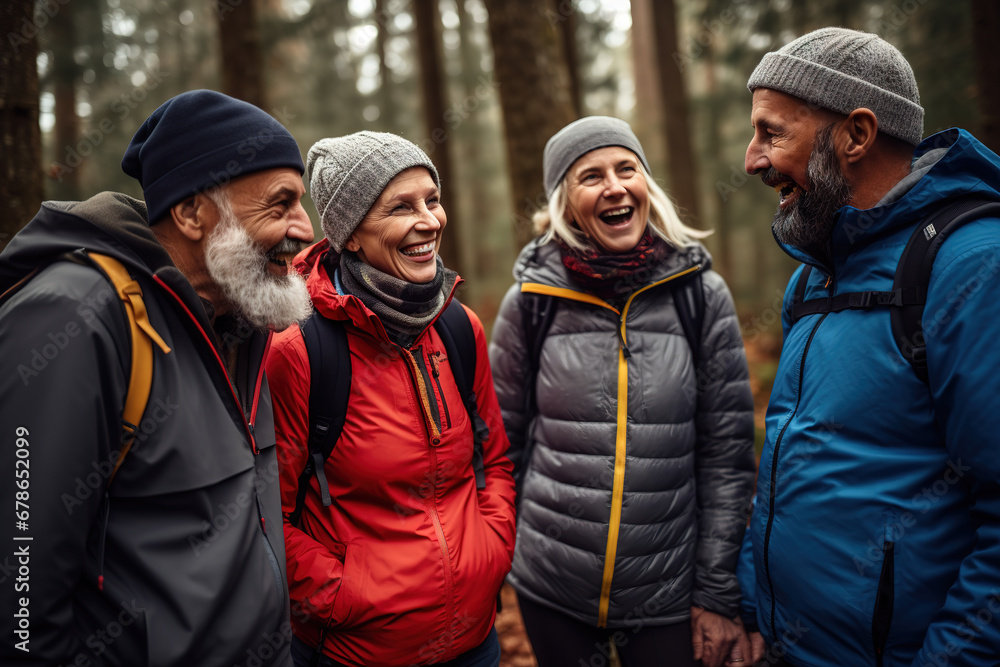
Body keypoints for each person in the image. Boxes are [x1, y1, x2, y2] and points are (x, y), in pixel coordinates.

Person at [0, 89, 313, 666]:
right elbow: (21, 586)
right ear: (193, 213)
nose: (304, 227)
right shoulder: (75, 317)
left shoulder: (244, 320)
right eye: (281, 204)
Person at [739, 27, 1000, 667]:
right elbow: (785, 458)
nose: (751, 160)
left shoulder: (973, 267)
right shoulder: (816, 271)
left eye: (772, 133)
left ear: (856, 135)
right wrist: (753, 609)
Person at [488, 116, 756, 667]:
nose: (614, 186)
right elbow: (498, 449)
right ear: (565, 200)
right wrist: (495, 562)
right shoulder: (531, 302)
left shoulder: (701, 297)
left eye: (626, 168)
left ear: (646, 186)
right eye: (590, 175)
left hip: (666, 595)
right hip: (549, 586)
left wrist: (715, 589)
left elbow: (727, 460)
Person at [265, 131, 516, 667]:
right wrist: (345, 595)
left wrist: (490, 552)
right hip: (357, 651)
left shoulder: (457, 326)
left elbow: (493, 459)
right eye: (401, 207)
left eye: (432, 199)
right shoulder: (299, 348)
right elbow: (269, 512)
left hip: (475, 644)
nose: (429, 220)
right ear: (350, 235)